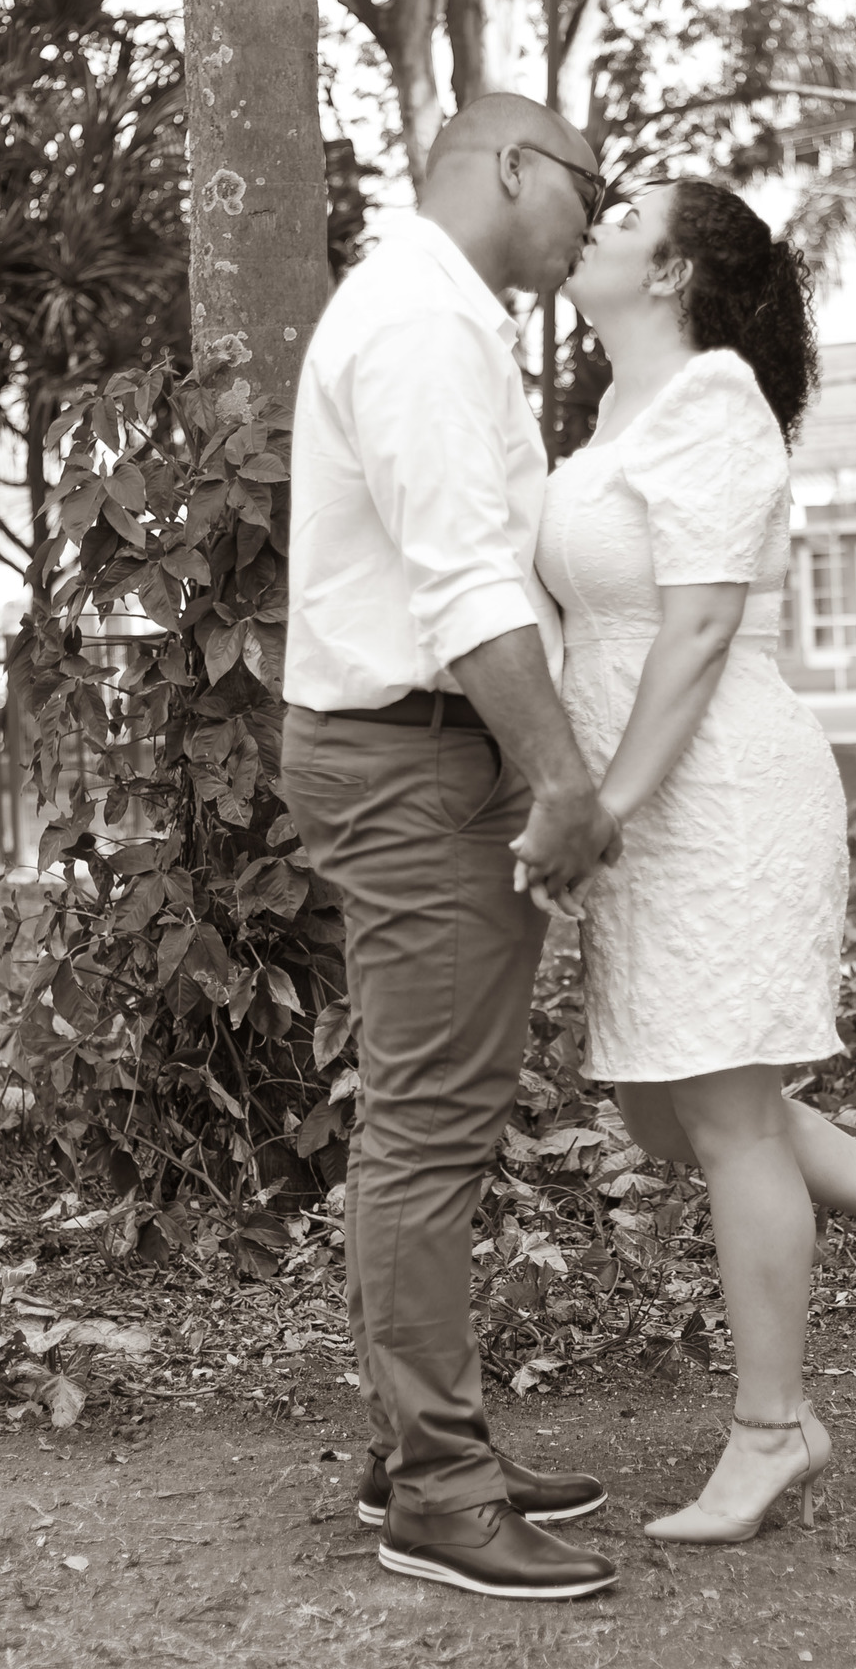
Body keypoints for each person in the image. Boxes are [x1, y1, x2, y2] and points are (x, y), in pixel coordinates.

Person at [521, 177, 856, 1546]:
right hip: (644, 799)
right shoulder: (619, 411)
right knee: (669, 1114)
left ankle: (774, 1429)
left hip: (714, 797)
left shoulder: (714, 403)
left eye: (625, 214)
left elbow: (701, 631)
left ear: (674, 271)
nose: (595, 220)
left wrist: (606, 807)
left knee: (725, 1120)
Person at [280, 92, 622, 1601]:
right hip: (413, 757)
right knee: (426, 1129)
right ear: (515, 168)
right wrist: (564, 783)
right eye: (589, 189)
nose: (594, 222)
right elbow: (467, 586)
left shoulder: (445, 314)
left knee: (437, 1117)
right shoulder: (420, 321)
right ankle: (438, 1491)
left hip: (425, 753)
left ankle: (425, 1443)